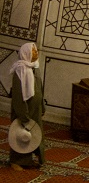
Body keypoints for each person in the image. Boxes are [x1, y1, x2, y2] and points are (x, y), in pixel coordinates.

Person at [9, 42, 45, 170]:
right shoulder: (20, 70)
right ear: (26, 53)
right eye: (33, 51)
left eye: (36, 51)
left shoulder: (35, 68)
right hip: (24, 110)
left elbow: (39, 89)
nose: (36, 53)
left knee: (33, 135)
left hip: (35, 110)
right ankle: (16, 161)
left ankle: (27, 160)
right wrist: (23, 115)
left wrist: (42, 106)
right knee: (20, 134)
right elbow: (18, 96)